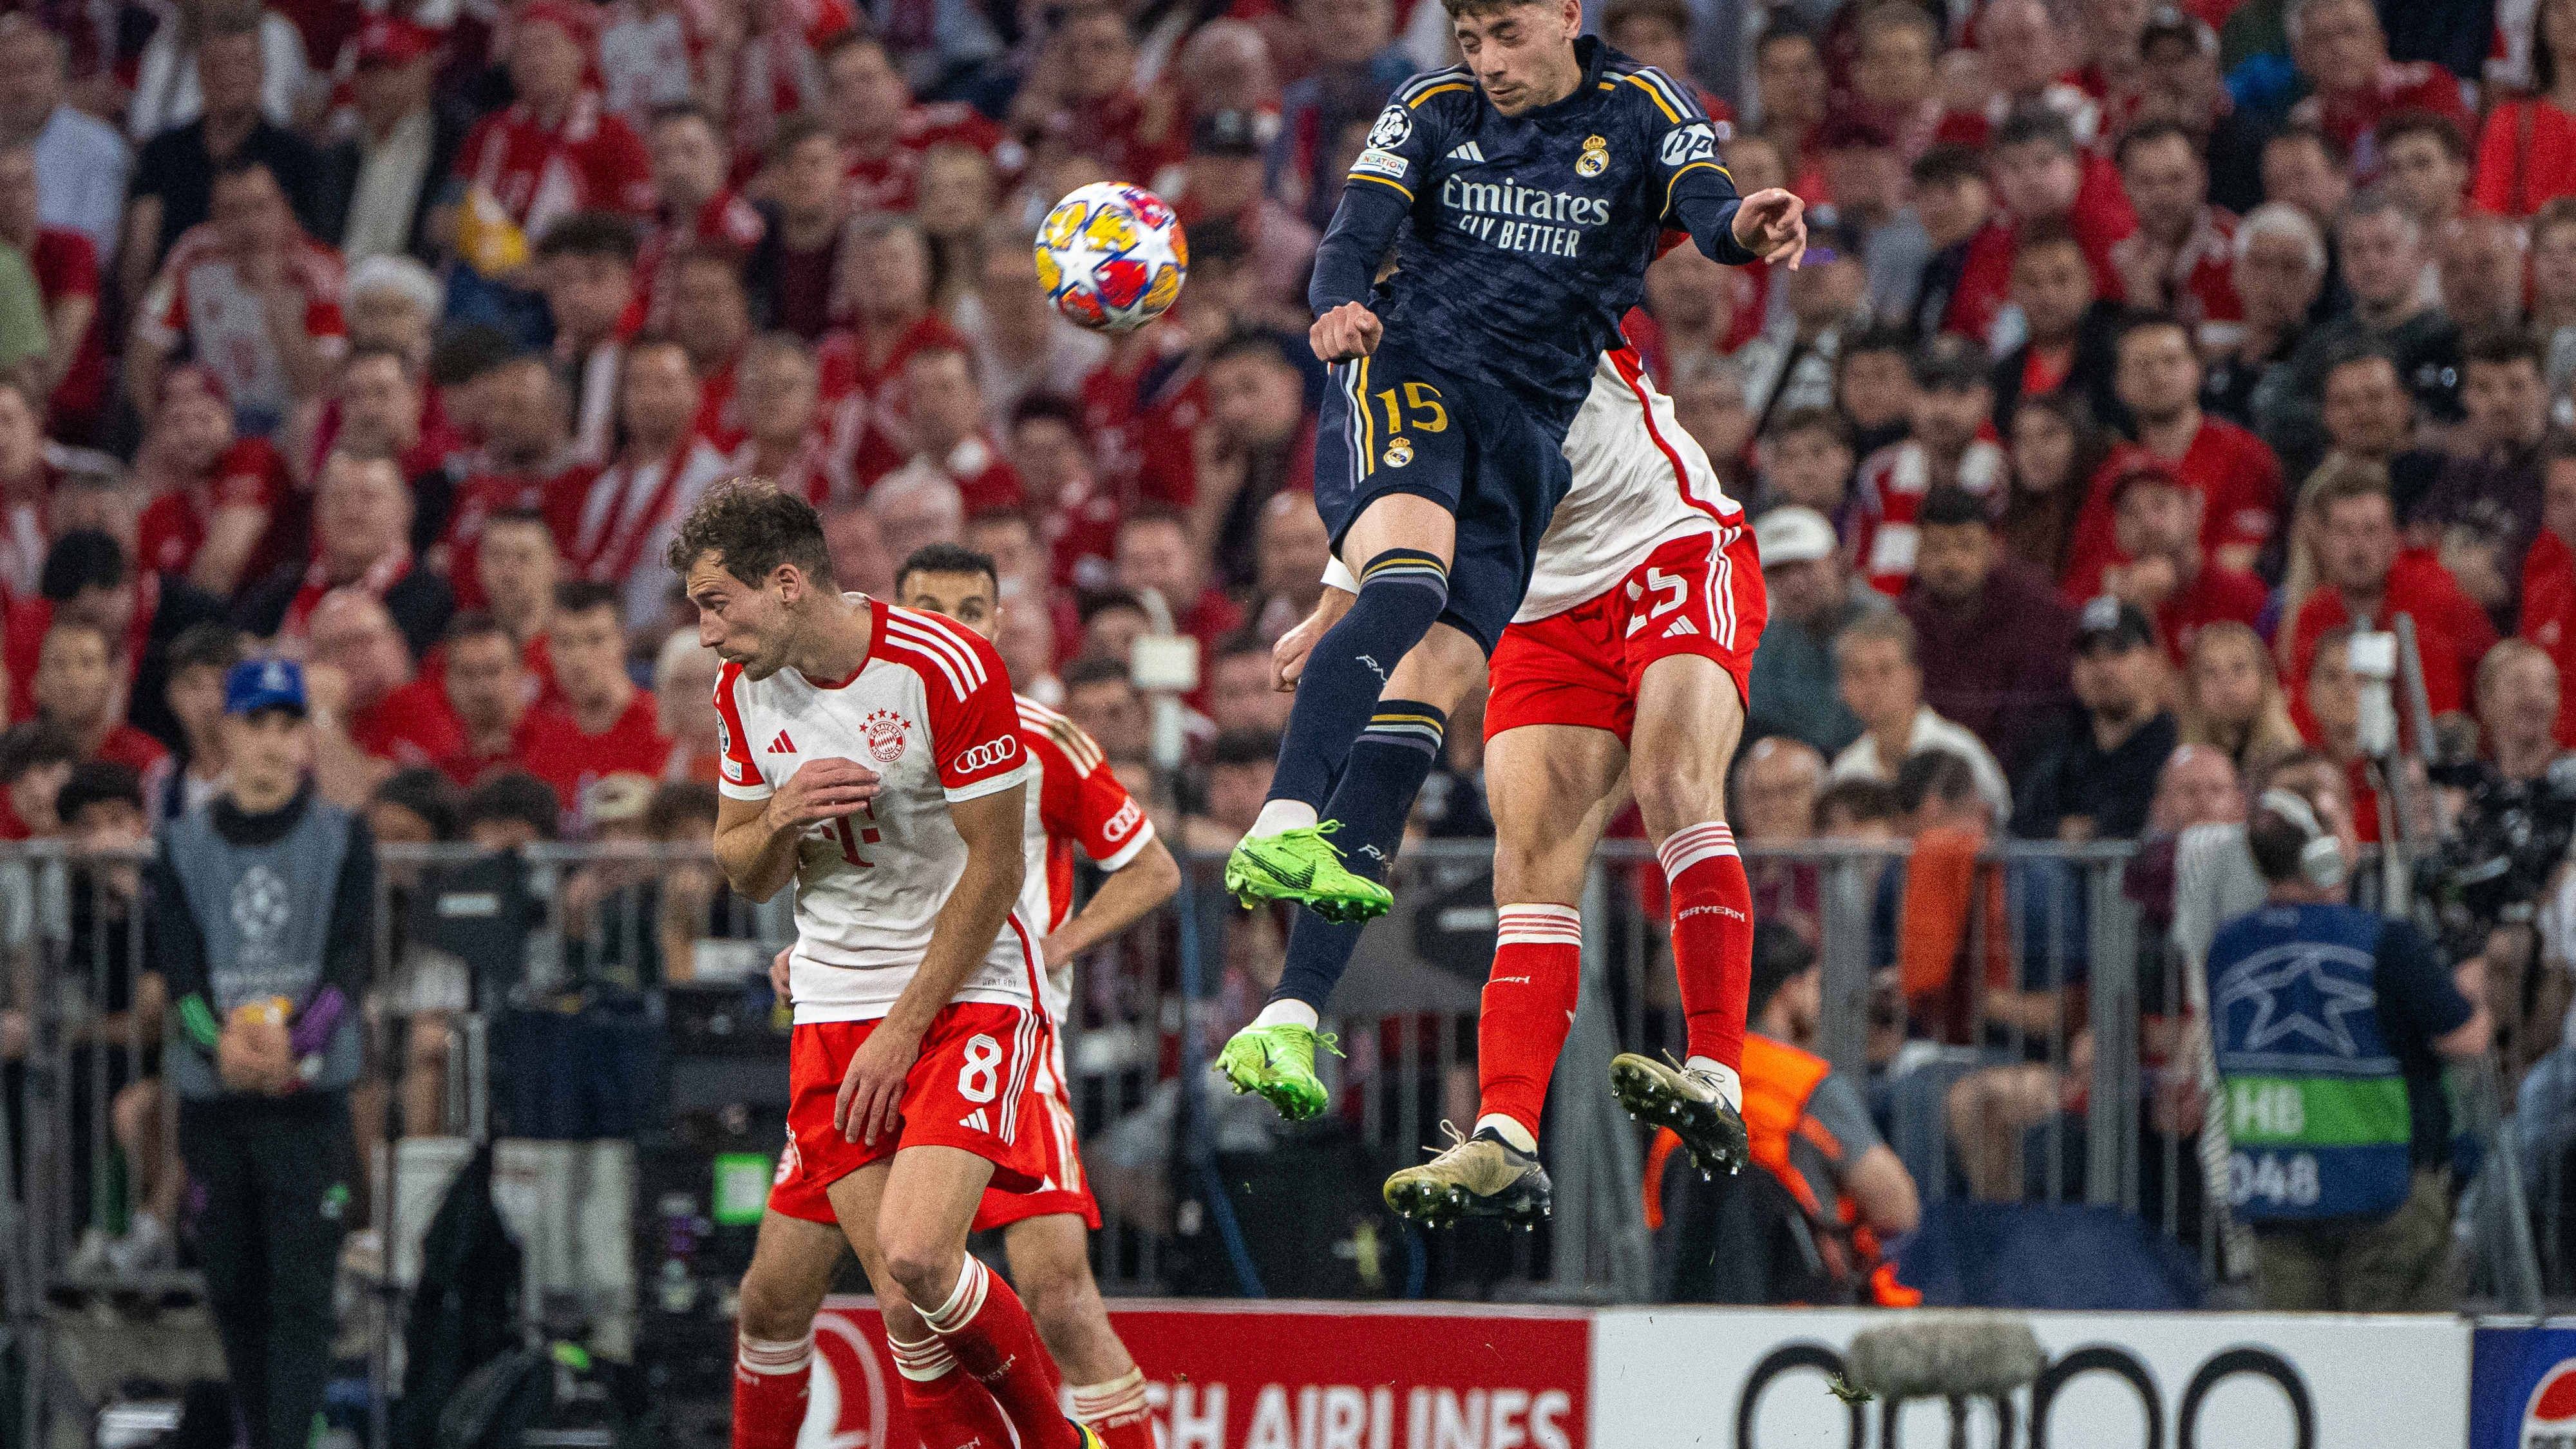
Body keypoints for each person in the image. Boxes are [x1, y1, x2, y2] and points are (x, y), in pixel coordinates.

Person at [1216, 0, 1803, 928]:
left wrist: (1744, 229)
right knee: (1408, 586)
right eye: (1469, 39)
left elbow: (1708, 210)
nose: (1486, 61)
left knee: (1440, 661)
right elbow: (1353, 239)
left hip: (1527, 427)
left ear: (1567, 14)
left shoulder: (1648, 104)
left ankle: (1302, 978)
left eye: (1508, 35)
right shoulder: (1432, 108)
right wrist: (1334, 306)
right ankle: (1285, 819)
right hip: (1415, 372)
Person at [676, 484, 1095, 1449]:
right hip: (831, 998)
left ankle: (1058, 1439)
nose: (705, 633)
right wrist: (780, 818)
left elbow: (998, 865)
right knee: (905, 1314)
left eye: (715, 602)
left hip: (965, 988)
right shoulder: (741, 686)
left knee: (917, 1254)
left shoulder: (943, 663)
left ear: (785, 584)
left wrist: (905, 1027)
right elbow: (740, 865)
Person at [880, 543, 1179, 1446]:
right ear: (895, 619)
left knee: (1057, 1293)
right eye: (926, 607)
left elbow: (1152, 868)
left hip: (1006, 1038)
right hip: (890, 1038)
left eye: (968, 609)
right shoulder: (862, 739)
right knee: (906, 1295)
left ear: (996, 623)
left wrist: (1059, 946)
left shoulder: (1042, 738)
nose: (947, 626)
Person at [147, 658, 372, 1449]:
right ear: (228, 732)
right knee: (235, 1291)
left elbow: (350, 965)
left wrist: (293, 1045)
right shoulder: (180, 845)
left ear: (306, 737)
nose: (273, 744)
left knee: (303, 1296)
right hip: (216, 1106)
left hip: (309, 1105)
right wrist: (223, 1049)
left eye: (288, 726)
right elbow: (179, 975)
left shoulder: (344, 839)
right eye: (257, 725)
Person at [2209, 777, 2486, 1311]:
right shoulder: (2384, 942)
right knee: (2390, 1374)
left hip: (2277, 1195)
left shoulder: (2226, 949)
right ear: (2322, 855)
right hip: (2387, 1200)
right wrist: (2476, 978)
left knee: (2304, 1369)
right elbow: (2467, 1037)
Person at [1643, 924, 1921, 1303]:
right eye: (1815, 987)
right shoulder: (1807, 1083)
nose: (1820, 1003)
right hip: (1800, 1307)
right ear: (1790, 992)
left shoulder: (1682, 1085)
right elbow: (1897, 1208)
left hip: (1682, 1302)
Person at [1898, 482, 2078, 771]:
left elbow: (2050, 719)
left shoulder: (2038, 610)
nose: (1951, 562)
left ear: (1993, 550)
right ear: (1917, 556)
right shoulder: (1904, 623)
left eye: (1966, 545)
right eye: (1936, 548)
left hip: (2029, 775)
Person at [2012, 598, 2183, 840]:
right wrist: (2062, 832)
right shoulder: (2053, 744)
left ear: (2154, 662)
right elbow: (2020, 821)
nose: (2104, 669)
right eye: (2090, 655)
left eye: (2119, 651)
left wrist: (2092, 832)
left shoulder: (2178, 744)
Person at [1826, 609, 2012, 820]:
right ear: (1843, 688)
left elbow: (1998, 828)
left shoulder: (1959, 749)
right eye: (1857, 673)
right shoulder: (1846, 770)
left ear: (1914, 677)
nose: (1872, 686)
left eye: (1885, 670)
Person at [1747, 505, 1878, 757]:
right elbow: (1761, 727)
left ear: (1837, 562)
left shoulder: (1881, 623)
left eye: (1804, 567)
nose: (1795, 585)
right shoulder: (1767, 641)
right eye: (1779, 573)